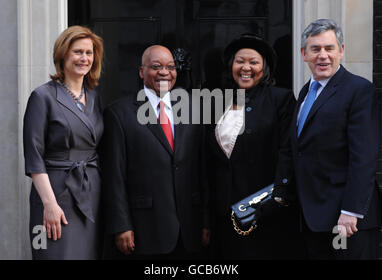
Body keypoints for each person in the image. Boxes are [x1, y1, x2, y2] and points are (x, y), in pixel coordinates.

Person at [101, 45, 209, 259]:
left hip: (189, 228)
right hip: (145, 229)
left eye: (170, 67)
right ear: (142, 72)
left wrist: (206, 221)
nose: (164, 72)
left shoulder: (193, 108)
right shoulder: (119, 113)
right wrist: (121, 225)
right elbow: (115, 176)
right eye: (156, 66)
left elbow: (203, 170)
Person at [206, 33, 305, 259]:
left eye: (253, 62)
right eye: (240, 61)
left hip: (265, 209)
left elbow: (287, 150)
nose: (246, 68)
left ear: (265, 67)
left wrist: (279, 195)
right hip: (223, 210)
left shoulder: (281, 99)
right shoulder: (215, 100)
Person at [291, 18, 382, 259]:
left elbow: (364, 156)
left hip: (347, 222)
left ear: (341, 51)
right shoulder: (305, 93)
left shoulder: (359, 90)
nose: (323, 55)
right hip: (314, 218)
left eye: (329, 48)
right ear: (303, 54)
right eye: (315, 49)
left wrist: (351, 211)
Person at [23, 25, 104, 259]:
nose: (84, 58)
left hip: (91, 193)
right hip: (56, 194)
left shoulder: (95, 98)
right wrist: (49, 204)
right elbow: (34, 156)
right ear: (63, 55)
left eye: (89, 53)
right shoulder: (42, 97)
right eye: (77, 52)